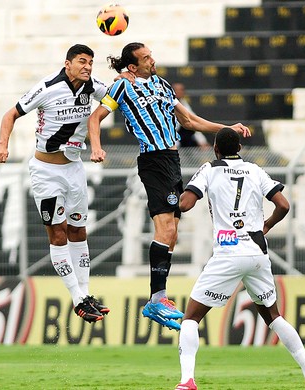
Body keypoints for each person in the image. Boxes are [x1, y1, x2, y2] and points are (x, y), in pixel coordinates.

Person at [88, 42, 251, 331]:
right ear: (133, 66)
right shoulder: (122, 87)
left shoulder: (162, 85)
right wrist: (97, 148)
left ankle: (157, 299)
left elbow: (188, 120)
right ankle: (156, 299)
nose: (153, 59)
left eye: (152, 54)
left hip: (172, 159)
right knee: (165, 229)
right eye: (146, 57)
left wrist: (227, 128)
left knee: (172, 232)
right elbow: (96, 117)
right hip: (153, 159)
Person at [175, 127, 305, 390]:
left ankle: (187, 380)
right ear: (240, 149)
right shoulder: (255, 170)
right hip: (257, 252)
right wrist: (266, 225)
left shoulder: (209, 168)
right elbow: (284, 205)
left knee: (190, 319)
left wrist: (169, 195)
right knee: (274, 317)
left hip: (228, 252)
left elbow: (186, 204)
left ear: (216, 149)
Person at [0, 44, 110, 323]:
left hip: (75, 169)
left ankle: (86, 294)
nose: (88, 67)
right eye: (82, 61)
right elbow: (10, 114)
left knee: (79, 231)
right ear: (67, 64)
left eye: (91, 63)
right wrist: (2, 145)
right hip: (46, 172)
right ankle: (77, 298)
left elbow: (116, 96)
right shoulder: (46, 87)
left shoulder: (92, 86)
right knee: (58, 233)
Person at [172, 83, 210, 150]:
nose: (179, 92)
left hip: (186, 142)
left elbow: (194, 124)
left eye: (181, 90)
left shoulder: (185, 105)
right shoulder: (166, 104)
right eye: (176, 90)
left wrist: (202, 142)